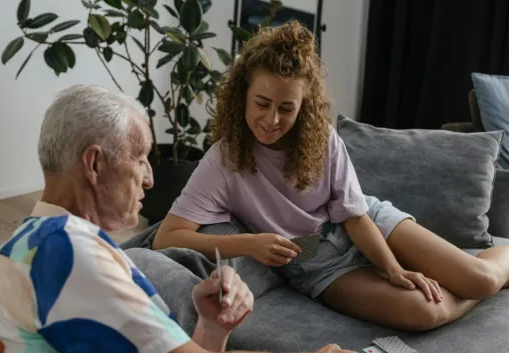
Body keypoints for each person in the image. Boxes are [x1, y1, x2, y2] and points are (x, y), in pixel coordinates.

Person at [0, 85, 451, 353]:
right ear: (94, 163)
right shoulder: (64, 251)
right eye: (141, 157)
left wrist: (210, 327)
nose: (149, 178)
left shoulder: (38, 244)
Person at [153, 19, 509, 335]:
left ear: (303, 106)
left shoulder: (320, 138)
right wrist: (250, 244)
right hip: (315, 264)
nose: (272, 119)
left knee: (482, 278)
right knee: (427, 312)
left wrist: (393, 269)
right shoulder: (223, 160)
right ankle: (473, 289)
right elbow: (166, 238)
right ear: (243, 93)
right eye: (262, 103)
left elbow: (353, 215)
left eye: (287, 108)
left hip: (369, 222)